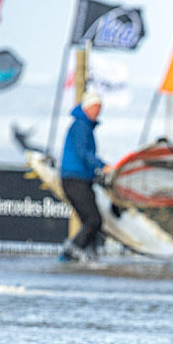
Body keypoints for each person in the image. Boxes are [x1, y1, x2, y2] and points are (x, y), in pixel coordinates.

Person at [59, 91, 109, 262]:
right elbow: (83, 152)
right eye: (96, 107)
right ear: (88, 107)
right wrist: (102, 166)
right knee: (93, 220)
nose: (98, 111)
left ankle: (89, 257)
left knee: (92, 222)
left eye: (100, 108)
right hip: (74, 179)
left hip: (82, 179)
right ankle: (71, 252)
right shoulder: (81, 125)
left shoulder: (84, 125)